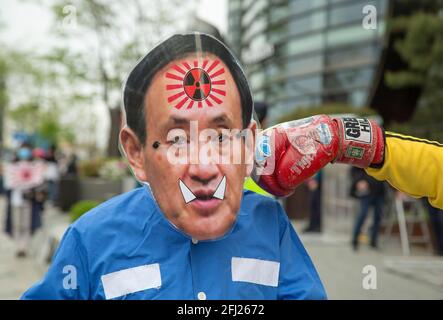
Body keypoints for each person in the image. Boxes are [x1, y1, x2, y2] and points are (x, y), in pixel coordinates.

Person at [22, 33, 326, 300]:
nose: (204, 167)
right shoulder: (90, 241)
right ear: (136, 152)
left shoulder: (271, 226)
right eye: (177, 139)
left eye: (220, 137)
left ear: (247, 145)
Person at [349, 167, 385, 250]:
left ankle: (373, 241)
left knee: (378, 217)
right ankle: (355, 240)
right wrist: (359, 181)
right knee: (362, 215)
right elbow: (354, 169)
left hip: (379, 191)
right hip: (367, 191)